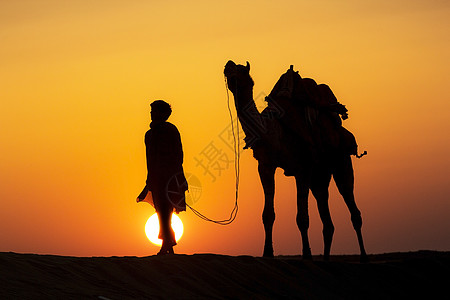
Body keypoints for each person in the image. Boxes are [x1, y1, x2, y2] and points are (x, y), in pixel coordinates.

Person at [138, 100, 188, 255]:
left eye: (155, 110)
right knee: (161, 211)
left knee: (166, 211)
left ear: (163, 113)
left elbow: (178, 155)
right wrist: (149, 180)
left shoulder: (170, 130)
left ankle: (166, 245)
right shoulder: (149, 134)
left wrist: (176, 177)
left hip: (170, 177)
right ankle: (168, 245)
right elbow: (149, 159)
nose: (152, 113)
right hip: (156, 178)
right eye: (151, 110)